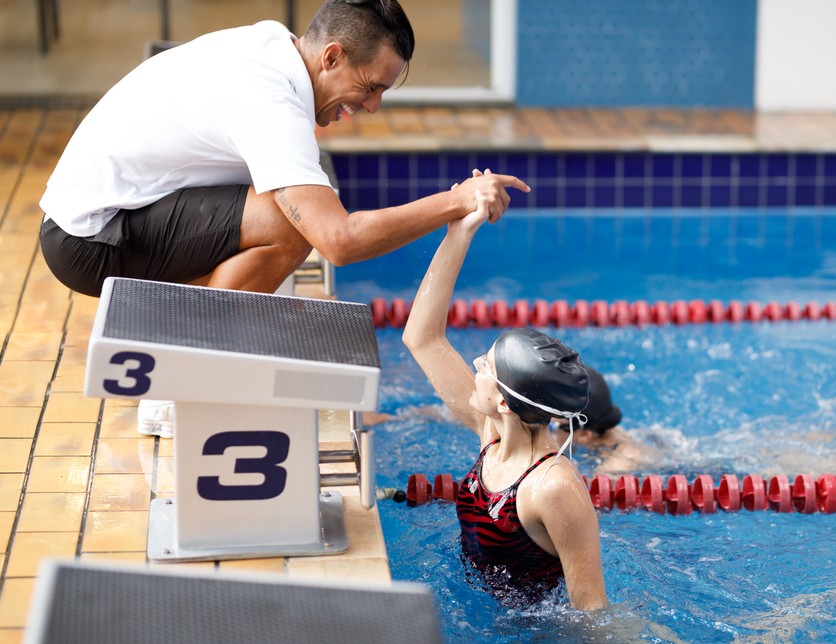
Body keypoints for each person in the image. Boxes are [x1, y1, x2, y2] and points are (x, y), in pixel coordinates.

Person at [38, 0, 528, 438]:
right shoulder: (268, 100)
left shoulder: (274, 48)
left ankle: (175, 354)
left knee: (293, 208)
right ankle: (178, 390)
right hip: (89, 237)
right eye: (370, 87)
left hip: (109, 212)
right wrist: (456, 200)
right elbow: (338, 241)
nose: (372, 106)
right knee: (290, 224)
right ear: (331, 56)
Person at [402, 181, 607, 611]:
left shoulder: (553, 487)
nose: (475, 363)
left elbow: (591, 611)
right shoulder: (491, 435)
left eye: (486, 367)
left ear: (503, 401)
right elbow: (422, 338)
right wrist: (459, 232)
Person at [551, 366, 658, 474]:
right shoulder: (600, 426)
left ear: (584, 435)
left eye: (553, 427)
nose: (549, 432)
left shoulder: (613, 469)